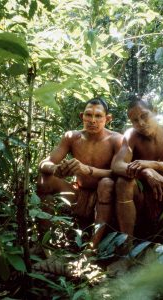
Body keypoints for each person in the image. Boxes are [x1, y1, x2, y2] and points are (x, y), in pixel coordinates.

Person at [36, 98, 122, 249]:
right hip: (78, 194)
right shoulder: (72, 137)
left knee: (106, 183)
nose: (92, 121)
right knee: (45, 179)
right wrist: (55, 169)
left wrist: (88, 170)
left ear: (107, 119)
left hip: (104, 198)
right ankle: (44, 243)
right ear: (82, 116)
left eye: (98, 116)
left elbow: (118, 173)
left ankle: (92, 248)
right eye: (88, 115)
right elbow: (44, 163)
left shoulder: (116, 140)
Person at [111, 96, 163, 241]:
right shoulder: (132, 136)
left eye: (144, 116)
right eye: (135, 120)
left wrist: (154, 165)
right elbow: (116, 165)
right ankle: (127, 245)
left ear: (155, 111)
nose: (141, 123)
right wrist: (145, 171)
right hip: (145, 201)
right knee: (122, 182)